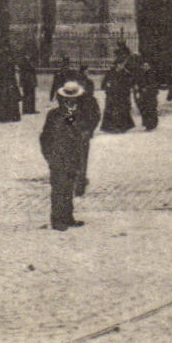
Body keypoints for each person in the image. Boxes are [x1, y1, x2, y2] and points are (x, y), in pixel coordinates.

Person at [40, 80, 89, 230]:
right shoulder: (54, 115)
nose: (71, 102)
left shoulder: (76, 114)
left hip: (72, 156)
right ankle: (57, 220)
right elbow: (45, 137)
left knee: (69, 187)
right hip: (58, 157)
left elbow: (78, 134)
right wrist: (49, 155)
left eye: (74, 99)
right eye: (68, 99)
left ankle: (68, 217)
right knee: (59, 188)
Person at [75, 71, 102, 193]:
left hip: (76, 132)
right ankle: (80, 181)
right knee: (82, 158)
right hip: (83, 131)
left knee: (75, 157)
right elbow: (96, 116)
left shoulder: (72, 101)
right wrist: (90, 128)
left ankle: (78, 181)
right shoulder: (91, 101)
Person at [100, 50, 135, 132]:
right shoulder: (110, 73)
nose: (122, 66)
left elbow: (130, 83)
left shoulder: (126, 73)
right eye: (120, 64)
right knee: (112, 111)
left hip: (122, 95)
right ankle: (110, 128)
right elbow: (103, 84)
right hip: (112, 95)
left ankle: (122, 127)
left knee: (122, 111)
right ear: (116, 65)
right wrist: (107, 86)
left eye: (122, 64)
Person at [135, 61, 159, 131]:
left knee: (151, 108)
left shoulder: (152, 74)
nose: (145, 67)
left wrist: (148, 88)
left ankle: (152, 124)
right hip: (143, 94)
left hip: (151, 94)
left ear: (149, 67)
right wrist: (139, 88)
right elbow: (139, 83)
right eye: (144, 66)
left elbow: (154, 84)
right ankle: (147, 124)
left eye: (147, 66)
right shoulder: (141, 75)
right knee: (144, 109)